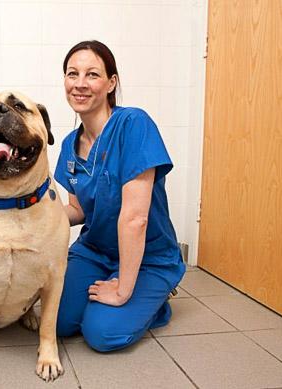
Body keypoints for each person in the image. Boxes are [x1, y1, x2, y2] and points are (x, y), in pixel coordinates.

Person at [54, 40, 186, 351]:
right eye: (73, 74)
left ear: (111, 82)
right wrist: (32, 216)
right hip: (95, 250)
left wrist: (124, 290)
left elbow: (136, 218)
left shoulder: (133, 124)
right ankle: (120, 295)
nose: (80, 84)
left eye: (92, 75)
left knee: (101, 333)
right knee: (58, 321)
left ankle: (154, 300)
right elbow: (77, 209)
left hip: (148, 257)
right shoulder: (69, 145)